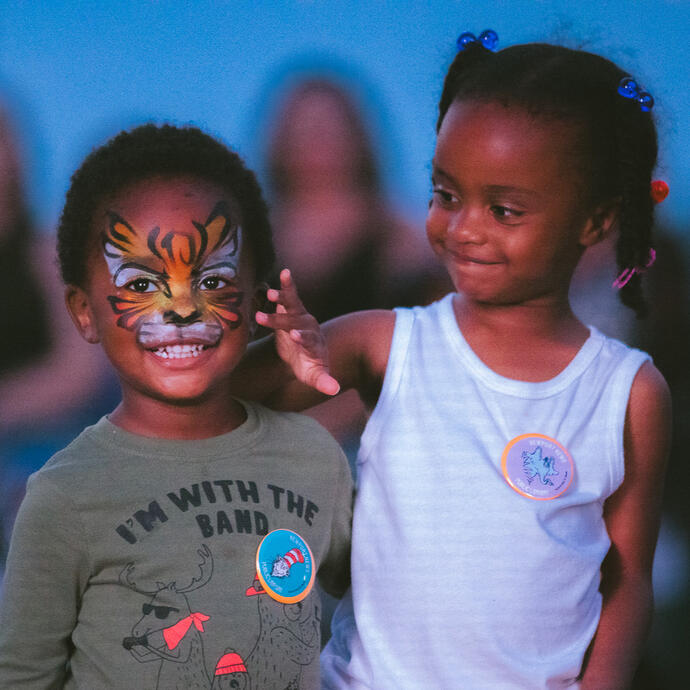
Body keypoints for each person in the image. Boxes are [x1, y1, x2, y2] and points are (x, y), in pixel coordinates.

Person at [234, 33, 671, 688]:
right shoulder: (383, 342)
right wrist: (283, 356)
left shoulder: (628, 394)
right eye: (445, 194)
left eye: (503, 209)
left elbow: (629, 577)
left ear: (594, 220)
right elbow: (219, 403)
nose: (463, 228)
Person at [0, 124, 353, 689]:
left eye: (212, 277)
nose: (182, 307)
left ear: (256, 288)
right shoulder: (64, 496)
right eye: (140, 285)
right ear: (84, 312)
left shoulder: (314, 459)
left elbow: (393, 612)